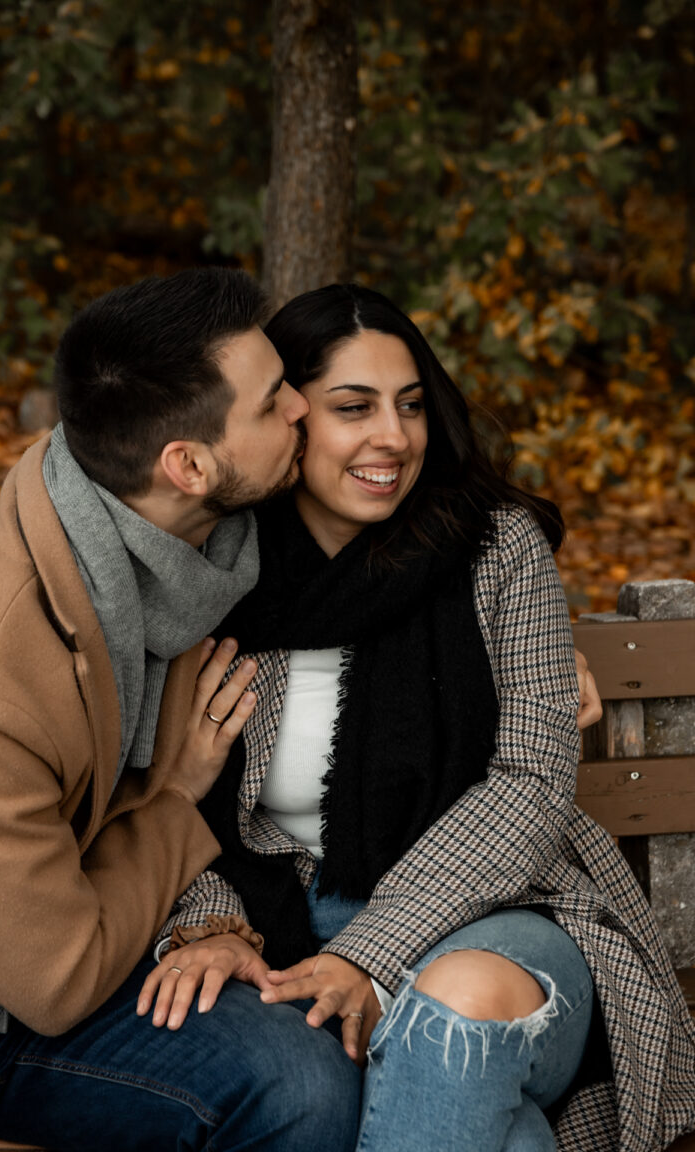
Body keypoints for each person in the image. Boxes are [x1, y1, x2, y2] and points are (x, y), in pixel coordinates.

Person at [142, 283, 695, 1151]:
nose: (391, 438)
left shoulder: (494, 548)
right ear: (289, 418)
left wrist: (370, 951)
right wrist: (209, 926)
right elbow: (170, 795)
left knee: (454, 1007)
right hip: (276, 930)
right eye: (352, 408)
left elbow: (529, 784)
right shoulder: (219, 573)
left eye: (408, 406)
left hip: (502, 924)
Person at [0, 269, 362, 1151]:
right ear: (189, 465)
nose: (303, 411)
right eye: (274, 399)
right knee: (298, 1088)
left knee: (310, 1063)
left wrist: (526, 668)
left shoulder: (185, 536)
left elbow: (402, 560)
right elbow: (55, 979)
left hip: (102, 931)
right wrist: (171, 804)